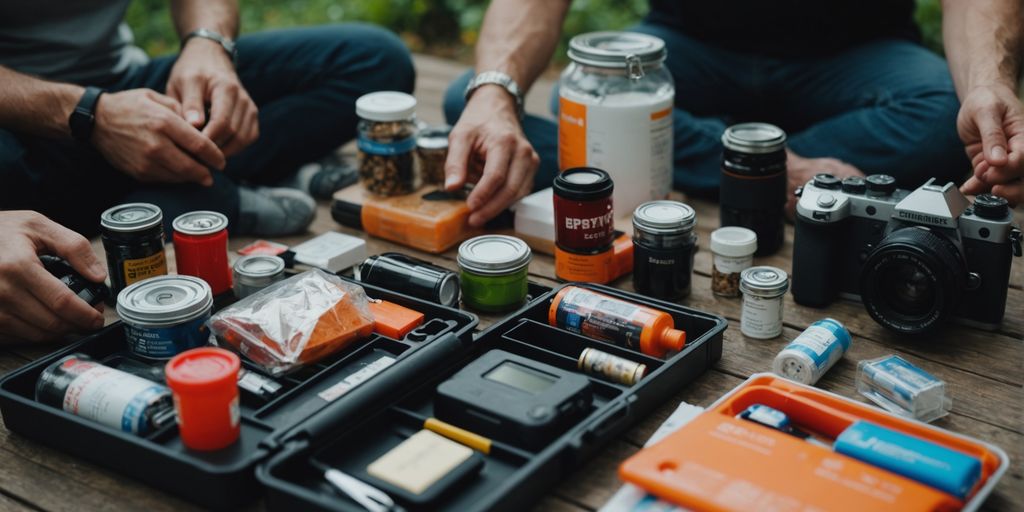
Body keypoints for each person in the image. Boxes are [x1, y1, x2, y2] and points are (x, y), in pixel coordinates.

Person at [0, 0, 415, 343]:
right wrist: (88, 115)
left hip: (130, 88)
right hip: (17, 125)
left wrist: (208, 44)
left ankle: (173, 194)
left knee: (375, 59)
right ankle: (213, 193)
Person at [442, 0, 1024, 227]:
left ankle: (716, 157)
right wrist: (493, 94)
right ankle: (779, 170)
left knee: (945, 116)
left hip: (853, 60)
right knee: (509, 98)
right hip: (689, 51)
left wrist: (988, 85)